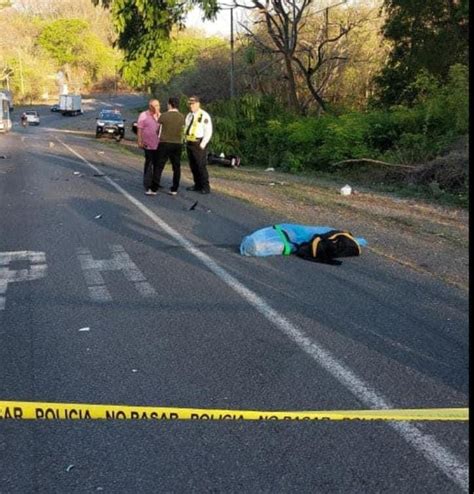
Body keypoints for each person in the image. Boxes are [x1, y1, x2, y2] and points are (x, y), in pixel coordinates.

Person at [155, 97, 186, 196]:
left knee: (159, 165)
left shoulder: (164, 116)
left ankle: (154, 187)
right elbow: (183, 131)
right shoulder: (182, 117)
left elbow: (157, 129)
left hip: (164, 142)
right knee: (176, 167)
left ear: (170, 104)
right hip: (177, 143)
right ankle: (174, 188)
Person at [184, 96, 213, 194]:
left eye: (193, 104)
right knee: (193, 165)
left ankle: (205, 186)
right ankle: (197, 184)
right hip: (189, 143)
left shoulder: (204, 115)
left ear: (198, 104)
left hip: (198, 143)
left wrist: (203, 144)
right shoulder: (189, 115)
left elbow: (208, 131)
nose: (191, 106)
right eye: (190, 104)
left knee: (201, 166)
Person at [137, 99, 161, 195]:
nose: (156, 107)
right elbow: (139, 128)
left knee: (157, 164)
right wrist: (139, 140)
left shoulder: (160, 116)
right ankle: (147, 183)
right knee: (149, 163)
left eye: (158, 105)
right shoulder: (143, 115)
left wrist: (158, 115)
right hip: (147, 144)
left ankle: (155, 182)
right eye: (154, 106)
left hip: (158, 144)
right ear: (150, 106)